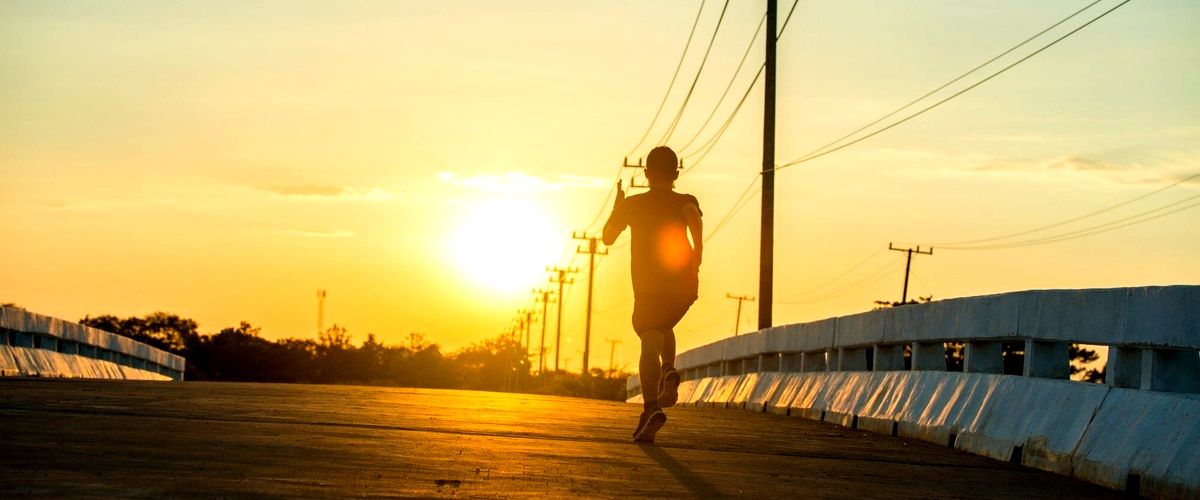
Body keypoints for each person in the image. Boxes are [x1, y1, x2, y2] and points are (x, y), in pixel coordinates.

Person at [602, 146, 702, 444]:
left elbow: (607, 238)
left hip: (649, 287)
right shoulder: (687, 200)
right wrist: (698, 253)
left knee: (648, 335)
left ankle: (650, 408)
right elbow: (692, 216)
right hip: (684, 287)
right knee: (662, 326)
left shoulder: (634, 205)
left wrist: (617, 206)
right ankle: (669, 371)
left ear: (646, 174)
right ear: (675, 174)